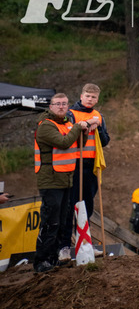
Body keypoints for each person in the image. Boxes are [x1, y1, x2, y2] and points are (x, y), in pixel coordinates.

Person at [33, 93, 89, 273]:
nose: (61, 107)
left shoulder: (67, 123)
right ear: (50, 106)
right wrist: (78, 127)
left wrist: (84, 131)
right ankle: (42, 260)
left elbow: (78, 144)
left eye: (64, 104)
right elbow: (64, 143)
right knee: (51, 222)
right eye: (57, 104)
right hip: (50, 180)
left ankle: (53, 258)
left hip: (66, 179)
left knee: (63, 221)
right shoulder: (46, 126)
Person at [60, 83, 110, 261]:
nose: (90, 99)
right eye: (87, 96)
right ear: (81, 96)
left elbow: (105, 141)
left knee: (87, 207)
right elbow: (66, 138)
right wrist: (86, 126)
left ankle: (85, 244)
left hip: (91, 166)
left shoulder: (99, 116)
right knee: (70, 207)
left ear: (97, 99)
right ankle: (64, 247)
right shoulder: (70, 114)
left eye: (93, 97)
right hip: (74, 164)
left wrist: (98, 128)